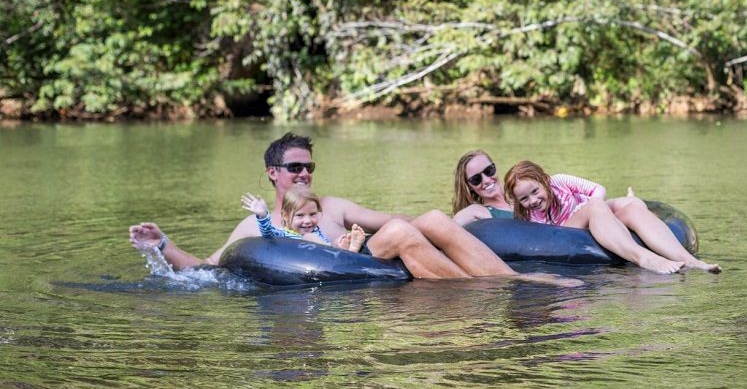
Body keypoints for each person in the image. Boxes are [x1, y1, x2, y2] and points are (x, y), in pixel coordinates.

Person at [129, 132, 579, 284]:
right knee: (403, 236)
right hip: (344, 277)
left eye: (309, 166)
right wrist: (163, 244)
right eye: (295, 166)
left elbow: (399, 219)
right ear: (273, 172)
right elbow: (206, 268)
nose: (304, 173)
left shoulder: (335, 205)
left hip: (364, 255)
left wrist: (473, 215)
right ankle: (502, 287)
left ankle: (506, 276)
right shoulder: (255, 222)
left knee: (430, 220)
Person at [504, 160, 722, 274]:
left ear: (544, 180)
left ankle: (693, 262)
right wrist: (590, 211)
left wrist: (602, 212)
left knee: (634, 207)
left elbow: (597, 190)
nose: (532, 201)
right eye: (524, 199)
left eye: (535, 191)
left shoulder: (559, 181)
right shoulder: (527, 215)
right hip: (566, 233)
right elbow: (535, 239)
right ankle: (644, 258)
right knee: (595, 207)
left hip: (589, 217)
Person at [241, 189, 366, 252]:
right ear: (285, 216)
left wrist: (336, 243)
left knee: (338, 241)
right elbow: (267, 233)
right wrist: (263, 215)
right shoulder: (282, 234)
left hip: (322, 259)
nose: (307, 221)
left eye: (312, 214)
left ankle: (349, 249)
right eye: (300, 216)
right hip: (298, 260)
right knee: (309, 237)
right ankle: (341, 251)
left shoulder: (316, 231)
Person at [452, 149, 514, 226]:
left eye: (489, 170)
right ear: (469, 186)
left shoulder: (523, 194)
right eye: (476, 179)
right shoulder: (476, 211)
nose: (486, 180)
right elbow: (445, 226)